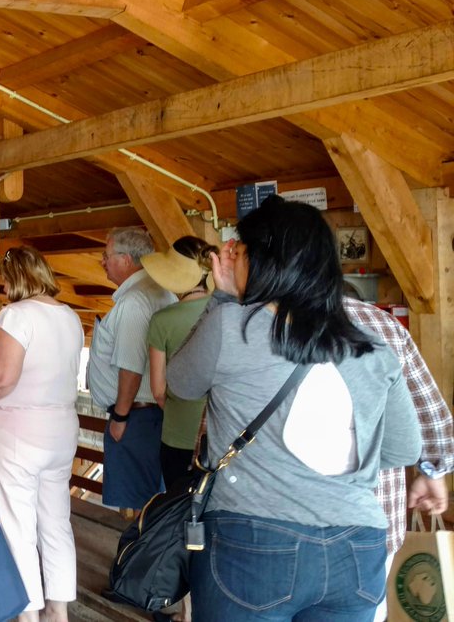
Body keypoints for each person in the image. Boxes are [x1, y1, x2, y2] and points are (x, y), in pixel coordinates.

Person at [168, 195, 422, 622]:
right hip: (357, 547)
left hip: (254, 540)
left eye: (239, 252)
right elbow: (403, 449)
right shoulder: (373, 348)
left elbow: (179, 384)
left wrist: (223, 298)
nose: (233, 261)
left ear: (264, 261)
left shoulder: (231, 327)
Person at [0, 246, 82, 622]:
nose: (0, 287)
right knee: (55, 522)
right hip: (61, 431)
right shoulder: (69, 316)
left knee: (17, 527)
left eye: (2, 280)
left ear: (14, 277)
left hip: (19, 434)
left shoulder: (17, 315)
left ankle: (27, 613)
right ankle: (58, 611)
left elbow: (2, 379)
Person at [342, 298, 453, 622]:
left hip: (273, 523)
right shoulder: (379, 322)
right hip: (375, 514)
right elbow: (427, 408)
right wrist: (433, 470)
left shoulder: (247, 316)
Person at [86, 227, 175, 516]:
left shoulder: (135, 300)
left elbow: (131, 367)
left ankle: (140, 547)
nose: (103, 261)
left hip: (136, 416)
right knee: (153, 503)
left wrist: (120, 417)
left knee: (141, 508)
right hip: (153, 415)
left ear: (125, 260)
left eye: (107, 255)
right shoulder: (163, 292)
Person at [143, 236, 217, 490]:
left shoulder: (162, 320)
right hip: (220, 434)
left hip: (177, 434)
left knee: (178, 505)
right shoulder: (227, 312)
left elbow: (158, 390)